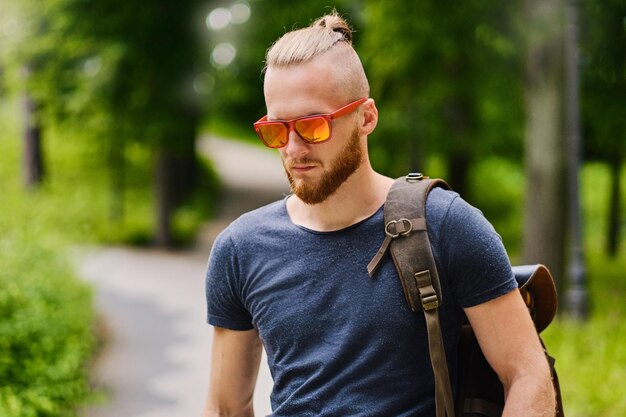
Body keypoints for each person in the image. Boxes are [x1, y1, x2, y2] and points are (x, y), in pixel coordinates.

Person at [203, 11, 556, 417]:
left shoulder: (446, 225)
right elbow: (225, 407)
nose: (293, 147)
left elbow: (527, 373)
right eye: (276, 130)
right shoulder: (240, 250)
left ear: (366, 117)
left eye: (313, 126)